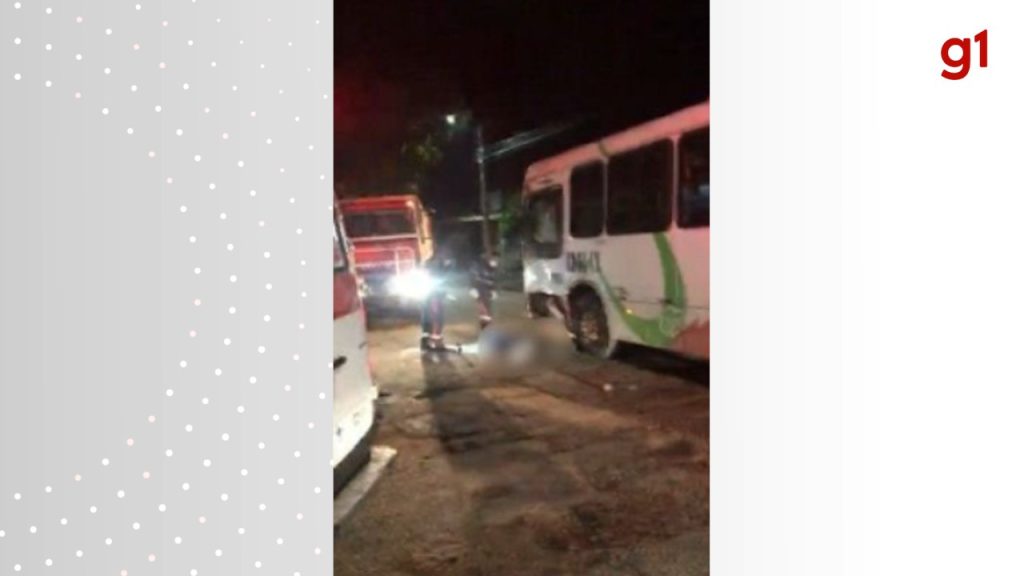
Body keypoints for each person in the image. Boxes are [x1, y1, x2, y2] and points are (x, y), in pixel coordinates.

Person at [420, 252, 455, 351]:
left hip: (429, 294)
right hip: (435, 295)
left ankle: (426, 341)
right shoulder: (438, 266)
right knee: (436, 317)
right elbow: (442, 278)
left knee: (428, 317)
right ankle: (436, 342)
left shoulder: (428, 264)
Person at [471, 253, 498, 330]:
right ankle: (485, 326)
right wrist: (473, 288)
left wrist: (493, 290)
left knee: (486, 308)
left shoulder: (492, 269)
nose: (496, 262)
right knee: (483, 308)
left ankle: (486, 325)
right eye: (494, 260)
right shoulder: (480, 267)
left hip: (487, 291)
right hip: (480, 290)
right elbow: (474, 277)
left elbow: (492, 280)